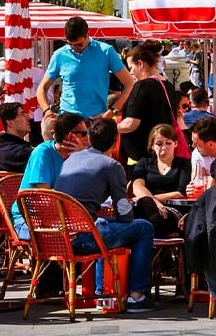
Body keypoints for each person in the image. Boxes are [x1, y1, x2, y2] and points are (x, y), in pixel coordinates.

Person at [52, 118, 159, 313]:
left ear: (90, 139)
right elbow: (124, 213)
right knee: (143, 227)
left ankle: (104, 293)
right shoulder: (112, 166)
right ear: (115, 141)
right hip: (83, 238)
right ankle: (136, 295)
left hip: (58, 236)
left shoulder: (72, 158)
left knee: (102, 225)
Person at [37, 17, 136, 119]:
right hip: (67, 120)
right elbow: (41, 88)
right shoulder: (59, 55)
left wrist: (113, 110)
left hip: (96, 120)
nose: (75, 48)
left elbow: (129, 83)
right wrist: (46, 111)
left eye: (79, 44)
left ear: (87, 34)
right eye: (70, 44)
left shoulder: (106, 51)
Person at [118, 45, 179, 162]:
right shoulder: (168, 86)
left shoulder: (141, 86)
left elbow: (131, 123)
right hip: (164, 154)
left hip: (141, 156)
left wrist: (113, 127)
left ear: (140, 64)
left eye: (131, 67)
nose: (130, 72)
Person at [130, 124, 191, 238]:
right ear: (152, 146)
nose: (164, 147)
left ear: (175, 144)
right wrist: (153, 202)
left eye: (168, 143)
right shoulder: (144, 163)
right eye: (159, 144)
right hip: (147, 209)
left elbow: (181, 192)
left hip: (172, 210)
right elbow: (137, 186)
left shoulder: (184, 164)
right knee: (143, 210)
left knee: (145, 210)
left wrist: (151, 199)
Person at [0, 102, 33, 173]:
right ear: (10, 122)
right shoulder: (23, 152)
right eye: (22, 114)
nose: (28, 117)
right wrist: (46, 133)